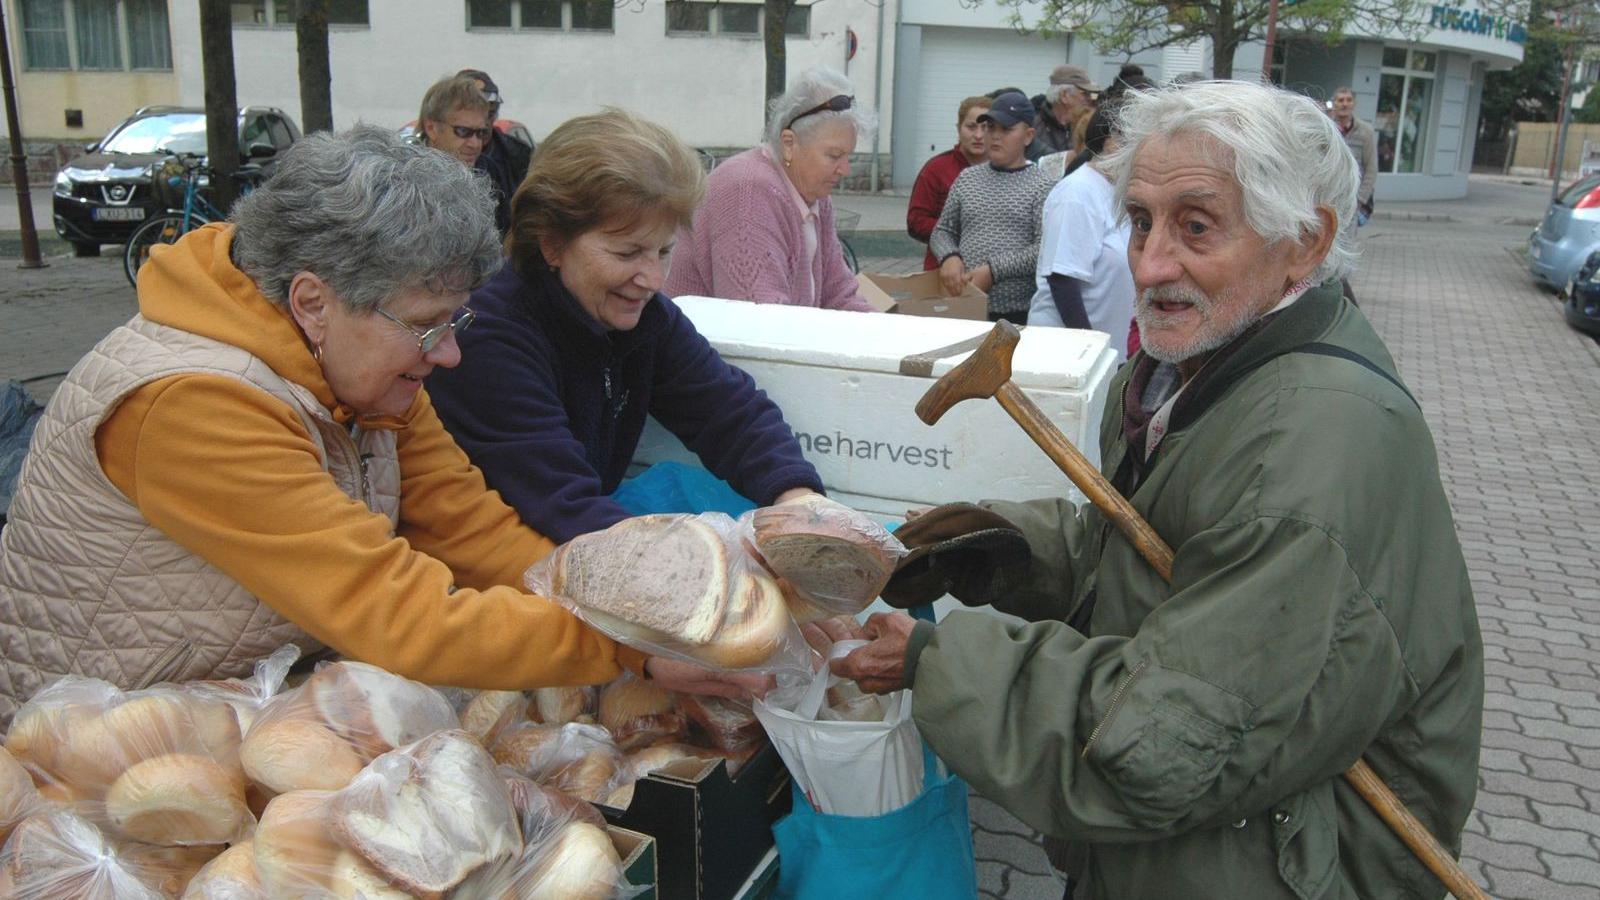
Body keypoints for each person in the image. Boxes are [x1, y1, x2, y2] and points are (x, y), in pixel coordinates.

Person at [834, 81, 1482, 899]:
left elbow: (1161, 744)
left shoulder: (1309, 446)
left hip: (1285, 866)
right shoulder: (1200, 366)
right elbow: (1157, 555)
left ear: (1306, 242)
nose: (1150, 261)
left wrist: (935, 662)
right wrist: (980, 546)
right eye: (1140, 221)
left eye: (1197, 226)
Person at [0, 126, 758, 726]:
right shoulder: (189, 404)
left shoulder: (364, 369)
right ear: (312, 302)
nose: (452, 352)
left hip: (250, 706)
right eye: (429, 325)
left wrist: (628, 610)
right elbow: (394, 610)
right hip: (101, 746)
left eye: (456, 320)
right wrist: (625, 650)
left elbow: (472, 528)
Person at [426, 109, 826, 545]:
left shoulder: (643, 317)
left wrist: (798, 500)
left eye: (664, 251)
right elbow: (562, 505)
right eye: (627, 253)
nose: (653, 279)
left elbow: (728, 410)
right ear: (551, 243)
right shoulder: (491, 340)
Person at [664, 67, 877, 311]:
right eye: (834, 155)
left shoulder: (814, 196)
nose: (845, 170)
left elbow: (840, 294)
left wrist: (888, 335)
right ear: (789, 144)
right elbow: (759, 320)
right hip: (702, 343)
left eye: (848, 155)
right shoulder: (747, 192)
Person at [929, 90, 1053, 325]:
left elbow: (1044, 249)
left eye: (1006, 130)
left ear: (1028, 136)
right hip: (963, 302)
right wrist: (949, 256)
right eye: (991, 128)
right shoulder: (967, 178)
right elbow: (943, 230)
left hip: (1016, 311)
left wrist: (994, 270)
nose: (995, 137)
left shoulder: (1042, 185)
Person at [1028, 104, 1136, 363]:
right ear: (1111, 142)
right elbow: (1062, 280)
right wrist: (1092, 349)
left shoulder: (1117, 192)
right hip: (1067, 353)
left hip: (1106, 350)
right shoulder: (1077, 193)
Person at [907, 96, 991, 271]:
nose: (978, 135)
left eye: (986, 128)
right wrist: (956, 232)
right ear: (958, 129)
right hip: (943, 270)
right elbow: (916, 222)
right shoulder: (936, 169)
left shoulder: (1005, 170)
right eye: (971, 127)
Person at [458, 68, 535, 237]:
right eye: (473, 110)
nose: (484, 122)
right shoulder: (420, 161)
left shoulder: (518, 154)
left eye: (490, 112)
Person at [415, 74, 494, 170]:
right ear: (431, 128)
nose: (475, 144)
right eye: (463, 131)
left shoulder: (492, 172)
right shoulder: (402, 177)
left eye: (481, 133)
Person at [1028, 65, 1098, 160]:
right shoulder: (1034, 127)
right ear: (1065, 95)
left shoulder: (1089, 126)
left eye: (1091, 94)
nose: (1090, 99)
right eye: (1085, 93)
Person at [1331, 87, 1378, 226]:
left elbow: (1371, 168)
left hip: (1352, 200)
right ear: (1334, 104)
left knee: (1348, 244)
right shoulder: (1326, 128)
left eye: (1348, 100)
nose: (1344, 104)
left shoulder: (1365, 132)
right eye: (1340, 100)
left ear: (1354, 104)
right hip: (1329, 197)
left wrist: (1360, 199)